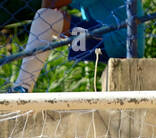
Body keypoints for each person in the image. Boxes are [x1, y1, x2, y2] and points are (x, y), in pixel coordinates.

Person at [11, 0, 144, 94]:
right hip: (111, 37)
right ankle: (22, 88)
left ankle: (22, 88)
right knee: (48, 18)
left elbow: (50, 4)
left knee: (45, 17)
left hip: (117, 40)